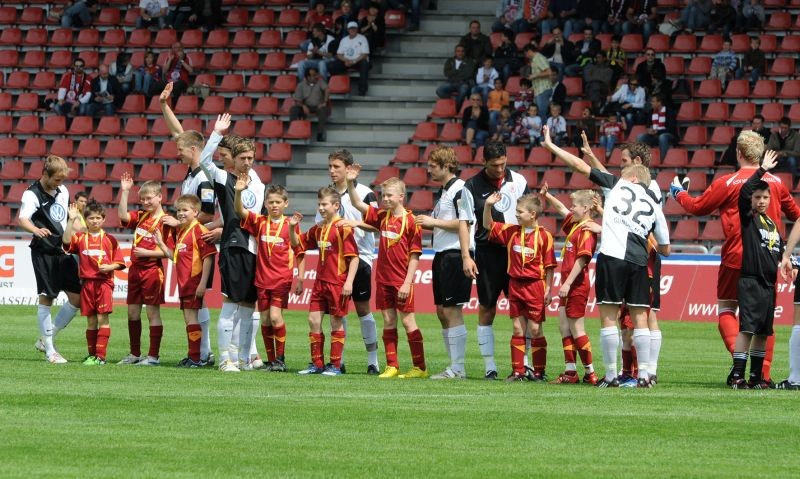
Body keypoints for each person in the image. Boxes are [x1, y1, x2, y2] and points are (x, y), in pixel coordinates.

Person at [543, 124, 671, 388]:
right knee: (640, 317)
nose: (620, 171)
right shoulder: (653, 201)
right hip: (639, 260)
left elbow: (581, 167)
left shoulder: (617, 185)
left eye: (624, 167)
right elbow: (665, 248)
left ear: (633, 174)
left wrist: (552, 146)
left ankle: (611, 375)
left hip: (612, 257)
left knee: (609, 316)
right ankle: (645, 375)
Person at [673, 130, 800, 385]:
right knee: (765, 318)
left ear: (739, 153)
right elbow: (797, 215)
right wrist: (788, 254)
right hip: (768, 258)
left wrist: (678, 193)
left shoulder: (727, 182)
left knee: (727, 309)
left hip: (735, 256)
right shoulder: (776, 183)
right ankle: (762, 373)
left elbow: (697, 207)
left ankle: (739, 361)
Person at [458, 141, 530, 380]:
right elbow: (464, 222)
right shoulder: (470, 186)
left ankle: (524, 365)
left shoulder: (519, 181)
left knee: (521, 311)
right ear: (483, 162)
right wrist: (466, 256)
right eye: (494, 165)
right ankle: (490, 366)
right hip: (487, 254)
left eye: (503, 164)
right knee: (487, 309)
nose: (500, 169)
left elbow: (530, 216)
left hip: (516, 253)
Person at [198, 114, 265, 372]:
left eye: (250, 158)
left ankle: (243, 358)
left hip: (254, 248)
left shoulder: (257, 183)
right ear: (233, 160)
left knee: (248, 305)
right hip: (233, 246)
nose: (247, 162)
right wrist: (217, 133)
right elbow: (204, 161)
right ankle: (225, 358)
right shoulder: (223, 178)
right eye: (242, 158)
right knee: (231, 304)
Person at [345, 171, 428, 378]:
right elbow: (357, 204)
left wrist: (407, 283)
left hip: (401, 281)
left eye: (390, 195)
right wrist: (350, 182)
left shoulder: (412, 222)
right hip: (383, 279)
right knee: (388, 320)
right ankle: (392, 366)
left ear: (401, 196)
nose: (385, 199)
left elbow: (415, 256)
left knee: (408, 321)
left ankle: (420, 368)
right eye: (383, 195)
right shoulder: (383, 216)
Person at [318, 150, 381, 374]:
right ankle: (339, 362)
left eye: (336, 166)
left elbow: (377, 225)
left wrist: (355, 224)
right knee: (338, 312)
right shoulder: (327, 195)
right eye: (330, 166)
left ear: (348, 168)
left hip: (360, 257)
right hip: (334, 262)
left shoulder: (365, 193)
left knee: (363, 309)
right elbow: (320, 225)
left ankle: (373, 361)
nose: (332, 170)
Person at [484, 192, 556, 381]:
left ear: (532, 214)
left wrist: (549, 289)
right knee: (517, 329)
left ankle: (539, 372)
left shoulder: (545, 236)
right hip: (515, 285)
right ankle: (518, 371)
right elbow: (488, 225)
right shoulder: (512, 231)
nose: (516, 214)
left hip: (535, 286)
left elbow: (550, 267)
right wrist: (488, 206)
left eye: (520, 211)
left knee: (535, 330)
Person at [727, 151, 782, 389]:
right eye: (757, 197)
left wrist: (790, 262)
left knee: (762, 332)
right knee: (747, 330)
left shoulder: (771, 224)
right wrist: (762, 170)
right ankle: (737, 376)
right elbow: (744, 191)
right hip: (751, 281)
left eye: (765, 197)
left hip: (768, 285)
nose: (761, 201)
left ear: (770, 199)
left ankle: (756, 377)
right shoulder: (749, 218)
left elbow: (777, 251)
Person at [235, 181, 304, 372]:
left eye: (278, 202)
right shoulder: (260, 222)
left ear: (285, 203)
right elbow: (240, 211)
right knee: (265, 320)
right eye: (271, 202)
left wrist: (300, 279)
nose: (274, 205)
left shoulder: (291, 225)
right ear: (265, 203)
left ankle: (280, 359)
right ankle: (272, 361)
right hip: (262, 279)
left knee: (275, 317)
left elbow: (299, 251)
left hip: (281, 279)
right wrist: (238, 192)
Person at [416, 147, 472, 379]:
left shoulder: (460, 189)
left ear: (446, 166)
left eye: (432, 166)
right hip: (441, 254)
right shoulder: (445, 191)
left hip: (455, 254)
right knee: (441, 311)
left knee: (451, 309)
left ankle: (458, 368)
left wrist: (433, 222)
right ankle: (453, 365)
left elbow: (465, 222)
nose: (428, 170)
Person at [19, 156, 81, 364]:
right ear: (45, 174)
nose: (59, 184)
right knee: (47, 298)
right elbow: (23, 219)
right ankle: (50, 351)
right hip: (44, 251)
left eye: (62, 180)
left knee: (77, 297)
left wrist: (82, 231)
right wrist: (36, 230)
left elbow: (66, 218)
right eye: (56, 180)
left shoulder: (63, 191)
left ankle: (46, 340)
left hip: (62, 251)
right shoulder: (32, 193)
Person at [289, 189, 359, 376]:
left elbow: (354, 258)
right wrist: (292, 227)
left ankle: (335, 366)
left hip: (337, 282)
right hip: (319, 282)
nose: (321, 208)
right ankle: (317, 364)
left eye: (324, 204)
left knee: (336, 322)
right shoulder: (318, 228)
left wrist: (349, 282)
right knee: (313, 320)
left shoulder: (343, 227)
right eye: (319, 204)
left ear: (336, 206)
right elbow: (297, 244)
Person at [539, 186, 598, 384]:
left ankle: (590, 373)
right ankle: (570, 372)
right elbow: (562, 209)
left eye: (575, 205)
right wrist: (547, 196)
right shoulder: (576, 224)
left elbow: (582, 260)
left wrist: (567, 284)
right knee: (564, 326)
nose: (571, 208)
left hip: (576, 285)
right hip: (568, 284)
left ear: (586, 208)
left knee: (577, 328)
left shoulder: (587, 230)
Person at [152, 195, 216, 367]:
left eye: (185, 210)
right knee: (188, 319)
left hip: (194, 281)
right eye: (179, 210)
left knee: (192, 318)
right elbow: (175, 257)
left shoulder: (199, 230)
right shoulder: (181, 232)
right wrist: (161, 244)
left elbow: (208, 258)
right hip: (184, 282)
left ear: (195, 212)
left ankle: (195, 358)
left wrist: (203, 283)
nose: (180, 213)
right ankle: (193, 355)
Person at [63, 200, 126, 365]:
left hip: (104, 283)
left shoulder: (110, 239)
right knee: (91, 321)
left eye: (98, 218)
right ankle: (92, 355)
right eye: (91, 218)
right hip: (87, 284)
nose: (95, 221)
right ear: (86, 220)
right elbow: (66, 243)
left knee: (102, 318)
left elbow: (120, 262)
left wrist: (110, 267)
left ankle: (101, 357)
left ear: (103, 219)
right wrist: (71, 220)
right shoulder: (80, 238)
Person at [117, 175, 171, 366]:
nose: (146, 202)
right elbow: (123, 216)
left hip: (152, 271)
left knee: (152, 314)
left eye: (149, 198)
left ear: (159, 197)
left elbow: (169, 252)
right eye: (142, 199)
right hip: (135, 270)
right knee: (132, 313)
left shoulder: (166, 222)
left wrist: (147, 252)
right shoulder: (141, 216)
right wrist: (125, 191)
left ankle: (153, 357)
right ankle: (134, 354)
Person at [291, 68, 331, 143]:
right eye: (314, 75)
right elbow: (297, 100)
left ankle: (320, 134)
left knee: (323, 110)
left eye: (316, 75)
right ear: (308, 77)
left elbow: (327, 89)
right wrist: (303, 106)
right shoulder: (301, 85)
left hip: (318, 106)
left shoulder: (320, 81)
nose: (316, 77)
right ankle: (293, 131)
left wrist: (324, 102)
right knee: (294, 109)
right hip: (306, 106)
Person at [330, 22, 370, 96]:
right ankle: (338, 87)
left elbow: (365, 54)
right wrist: (345, 60)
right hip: (346, 61)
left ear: (357, 29)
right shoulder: (344, 39)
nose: (352, 30)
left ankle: (362, 90)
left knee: (365, 64)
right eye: (351, 28)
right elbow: (339, 54)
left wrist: (354, 61)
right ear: (348, 30)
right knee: (333, 66)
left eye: (354, 28)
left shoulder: (362, 38)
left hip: (358, 61)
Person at [436, 45, 476, 111]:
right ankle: (453, 100)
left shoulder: (470, 61)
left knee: (463, 90)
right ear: (455, 52)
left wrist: (454, 72)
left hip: (463, 83)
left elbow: (468, 74)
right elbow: (446, 73)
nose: (460, 53)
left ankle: (455, 109)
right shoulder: (450, 61)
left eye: (462, 51)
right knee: (439, 90)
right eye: (458, 51)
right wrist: (459, 71)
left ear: (465, 52)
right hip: (451, 83)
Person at [636, 95, 675, 163]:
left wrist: (657, 132)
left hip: (667, 135)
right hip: (654, 134)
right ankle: (640, 160)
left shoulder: (669, 112)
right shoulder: (651, 111)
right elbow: (648, 124)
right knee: (640, 137)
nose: (651, 103)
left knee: (662, 137)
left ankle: (663, 161)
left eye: (653, 101)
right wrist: (649, 130)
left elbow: (671, 128)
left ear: (659, 102)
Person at [522, 44, 554, 122]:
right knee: (539, 113)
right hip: (539, 90)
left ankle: (545, 130)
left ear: (529, 51)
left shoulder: (539, 58)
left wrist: (535, 75)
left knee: (542, 113)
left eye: (526, 54)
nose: (526, 56)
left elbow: (549, 72)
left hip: (543, 89)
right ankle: (542, 129)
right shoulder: (534, 60)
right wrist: (531, 88)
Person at [767, 117, 800, 181]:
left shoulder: (796, 136)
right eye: (781, 127)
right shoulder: (774, 135)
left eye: (785, 128)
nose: (783, 130)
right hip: (777, 157)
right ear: (779, 126)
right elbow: (768, 149)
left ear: (789, 127)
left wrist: (784, 153)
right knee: (766, 159)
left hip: (790, 157)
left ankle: (792, 181)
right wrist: (775, 153)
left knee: (792, 160)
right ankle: (768, 181)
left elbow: (797, 152)